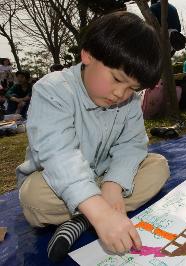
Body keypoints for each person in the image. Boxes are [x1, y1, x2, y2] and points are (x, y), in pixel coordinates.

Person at [16, 11, 170, 263]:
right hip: (56, 182)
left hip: (103, 176)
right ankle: (92, 213)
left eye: (132, 88)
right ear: (87, 54)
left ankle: (81, 219)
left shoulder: (128, 101)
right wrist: (99, 211)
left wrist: (113, 184)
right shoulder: (52, 89)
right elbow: (59, 156)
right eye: (117, 79)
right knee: (33, 199)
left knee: (158, 166)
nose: (121, 93)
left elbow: (132, 145)